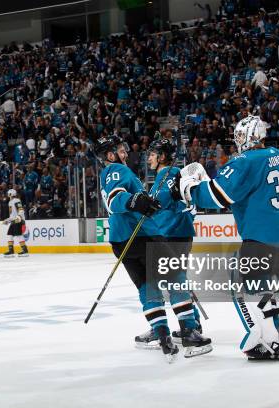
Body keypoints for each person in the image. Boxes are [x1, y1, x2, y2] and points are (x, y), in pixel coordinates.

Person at [174, 116, 279, 361]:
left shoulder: (244, 161)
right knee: (274, 283)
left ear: (250, 136)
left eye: (239, 135)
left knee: (244, 285)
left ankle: (272, 340)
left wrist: (189, 188)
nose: (237, 141)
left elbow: (217, 197)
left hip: (260, 238)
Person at [96, 135, 180, 362]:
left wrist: (141, 200)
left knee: (146, 286)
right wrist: (135, 202)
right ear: (111, 155)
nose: (125, 153)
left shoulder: (110, 173)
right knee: (176, 276)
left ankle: (162, 333)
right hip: (141, 235)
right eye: (120, 150)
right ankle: (190, 328)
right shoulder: (116, 169)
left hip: (121, 240)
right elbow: (116, 200)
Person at [133, 138, 211, 357]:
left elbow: (160, 202)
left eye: (152, 154)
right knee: (173, 280)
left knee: (171, 281)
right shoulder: (167, 175)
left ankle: (185, 329)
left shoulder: (169, 174)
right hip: (173, 234)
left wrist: (143, 205)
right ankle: (189, 324)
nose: (148, 158)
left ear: (162, 157)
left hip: (172, 234)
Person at [3, 189, 29, 257]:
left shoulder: (17, 200)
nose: (8, 195)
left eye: (8, 194)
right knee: (10, 235)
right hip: (14, 221)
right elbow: (12, 215)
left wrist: (19, 217)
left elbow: (21, 210)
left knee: (19, 235)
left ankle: (25, 250)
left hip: (18, 221)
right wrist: (8, 220)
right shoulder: (10, 202)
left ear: (10, 194)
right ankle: (11, 250)